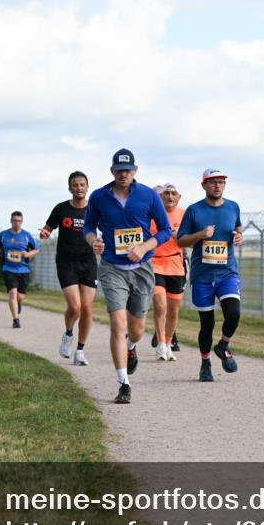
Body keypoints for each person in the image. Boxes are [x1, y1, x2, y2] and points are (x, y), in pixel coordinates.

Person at [83, 148, 170, 404]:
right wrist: (92, 242)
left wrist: (144, 246)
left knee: (137, 329)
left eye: (128, 170)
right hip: (112, 268)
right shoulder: (99, 197)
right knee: (117, 324)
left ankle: (132, 348)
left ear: (135, 171)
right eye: (119, 170)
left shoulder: (148, 196)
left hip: (141, 269)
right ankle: (124, 383)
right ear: (112, 171)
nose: (123, 174)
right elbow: (89, 227)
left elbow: (165, 230)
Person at [176, 168, 244, 382]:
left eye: (221, 182)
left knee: (233, 313)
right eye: (212, 182)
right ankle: (205, 362)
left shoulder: (233, 207)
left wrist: (238, 236)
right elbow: (181, 240)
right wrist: (200, 235)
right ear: (203, 185)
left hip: (227, 272)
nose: (217, 186)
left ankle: (223, 345)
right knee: (207, 324)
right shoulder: (194, 211)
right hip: (203, 275)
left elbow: (239, 227)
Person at [40, 171, 97, 366]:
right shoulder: (61, 209)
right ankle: (68, 334)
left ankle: (80, 351)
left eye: (82, 184)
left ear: (87, 187)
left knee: (87, 309)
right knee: (75, 307)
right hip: (66, 262)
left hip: (88, 262)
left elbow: (107, 230)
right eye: (75, 185)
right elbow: (48, 227)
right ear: (70, 188)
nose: (79, 188)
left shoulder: (95, 209)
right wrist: (46, 233)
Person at [150, 183, 187, 361]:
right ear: (161, 197)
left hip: (176, 265)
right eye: (166, 194)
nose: (170, 197)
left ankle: (169, 341)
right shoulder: (152, 214)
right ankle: (161, 344)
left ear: (179, 197)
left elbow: (191, 239)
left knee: (173, 311)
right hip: (155, 264)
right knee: (160, 305)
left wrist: (179, 236)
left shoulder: (184, 214)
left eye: (174, 193)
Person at [0, 211, 39, 328]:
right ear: (11, 221)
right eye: (14, 220)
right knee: (12, 293)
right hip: (8, 269)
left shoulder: (27, 235)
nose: (17, 223)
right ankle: (16, 319)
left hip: (23, 270)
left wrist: (28, 254)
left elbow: (36, 249)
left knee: (20, 297)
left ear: (22, 222)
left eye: (19, 221)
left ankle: (18, 303)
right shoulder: (3, 235)